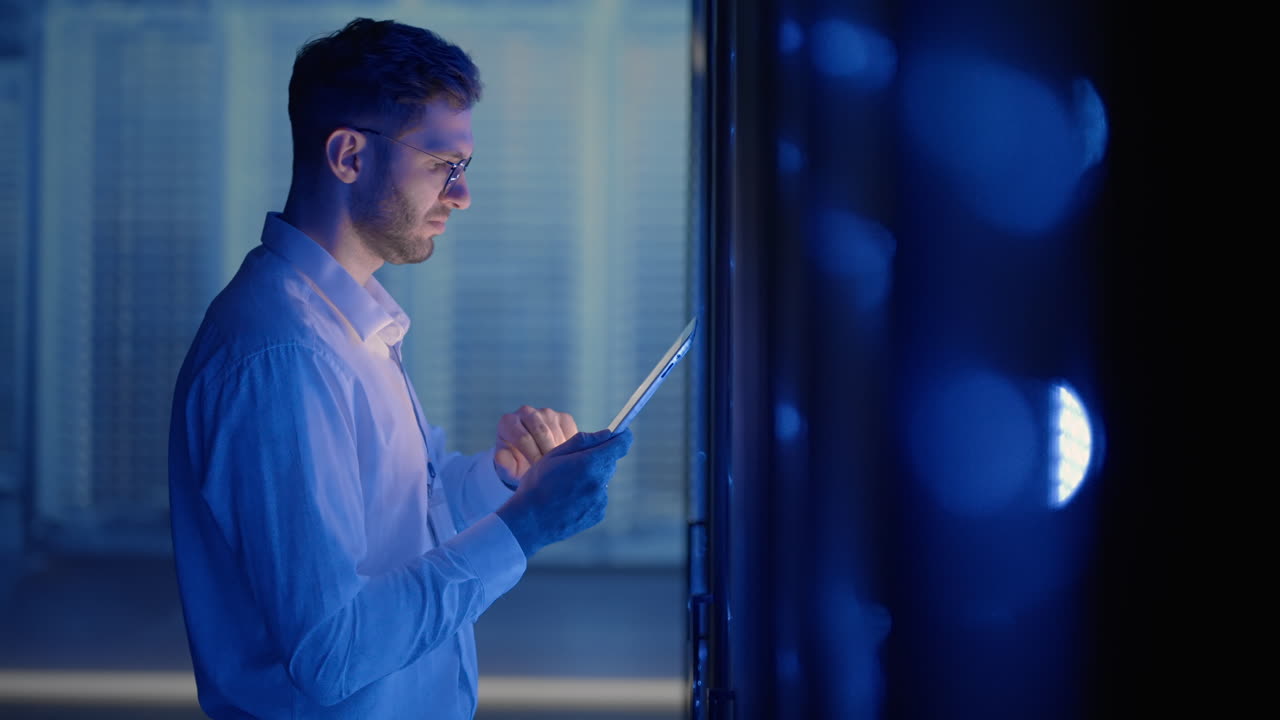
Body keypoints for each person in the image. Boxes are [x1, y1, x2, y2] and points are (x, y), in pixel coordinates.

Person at [167, 17, 632, 719]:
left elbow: (404, 515)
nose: (462, 195)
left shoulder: (350, 325)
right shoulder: (281, 355)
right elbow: (331, 653)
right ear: (349, 155)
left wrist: (508, 478)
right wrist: (525, 526)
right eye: (444, 165)